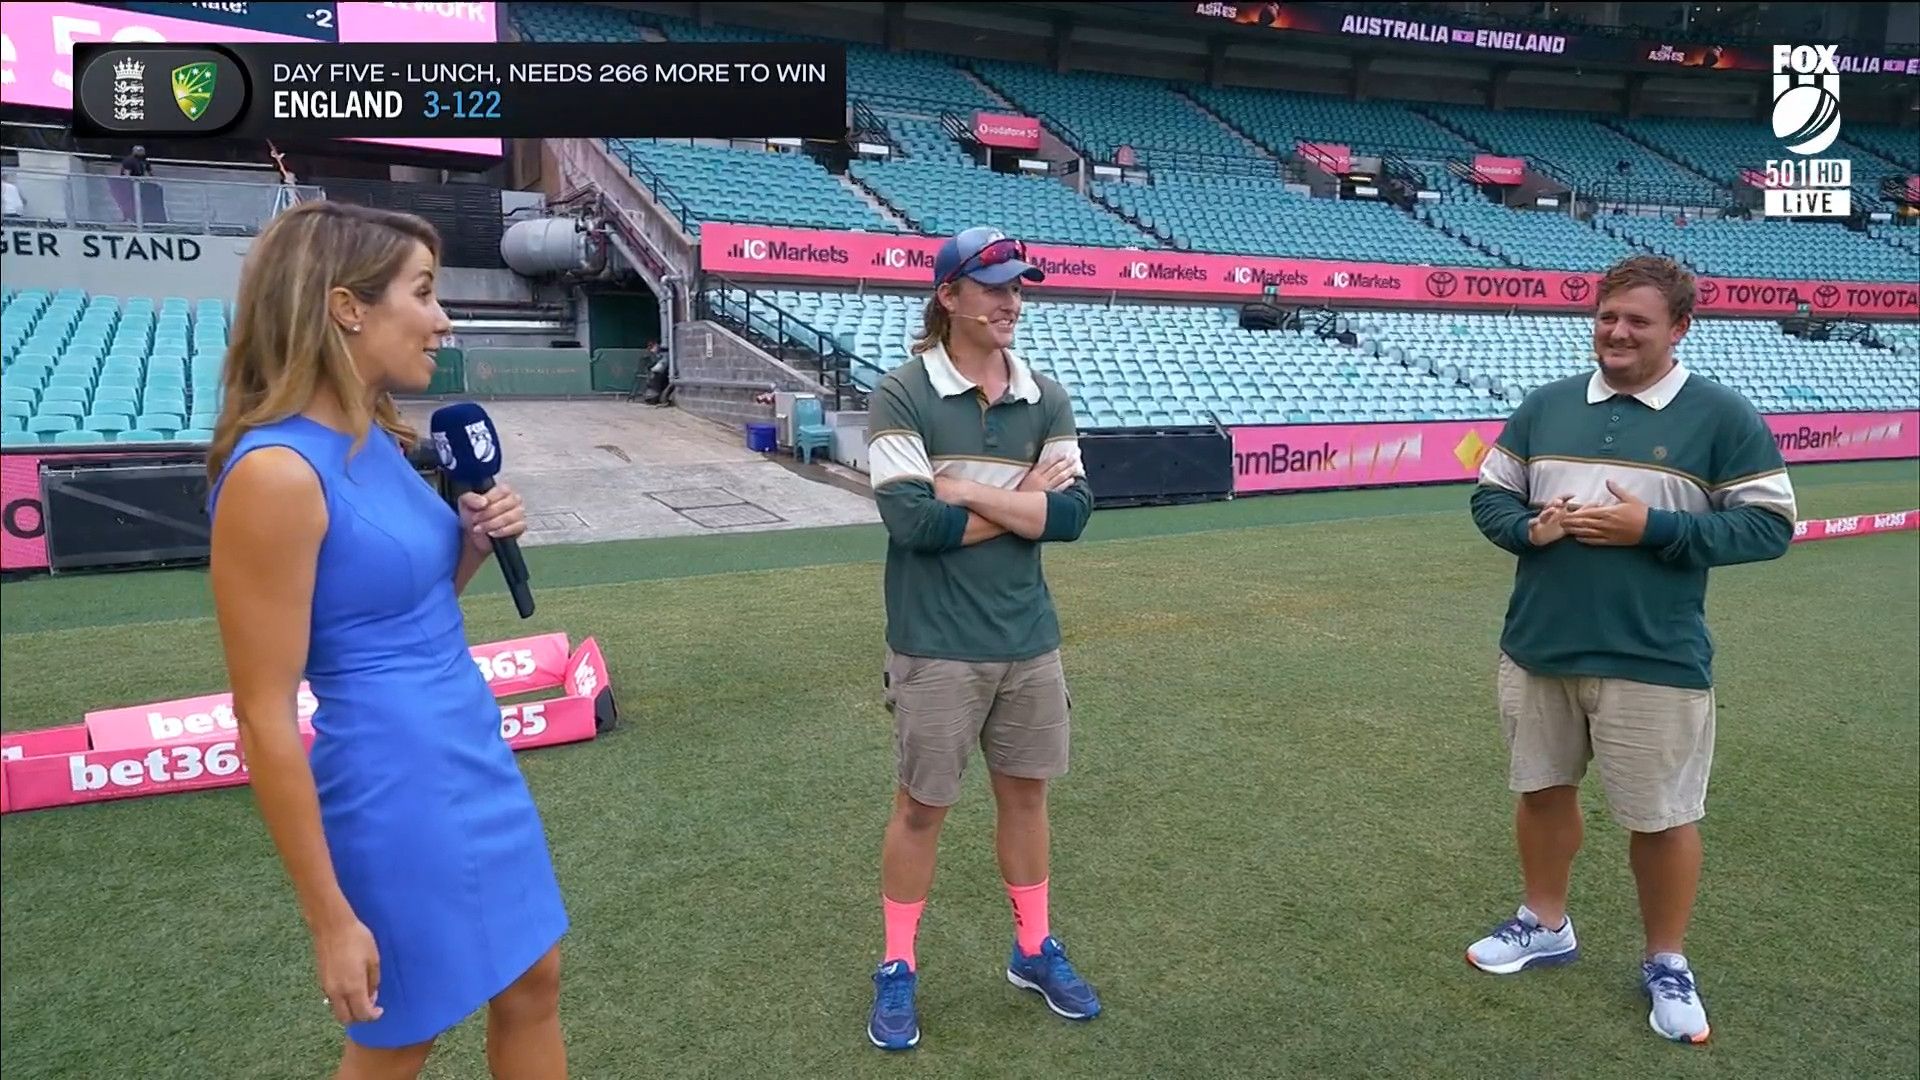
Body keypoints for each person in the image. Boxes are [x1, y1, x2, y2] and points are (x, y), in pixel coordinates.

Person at [206, 200, 569, 1079]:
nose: (443, 319)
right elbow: (262, 714)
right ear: (347, 308)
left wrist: (471, 546)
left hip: (471, 750)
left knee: (533, 981)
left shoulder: (378, 438)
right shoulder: (275, 475)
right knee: (402, 1033)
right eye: (424, 292)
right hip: (393, 787)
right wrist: (329, 918)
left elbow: (398, 610)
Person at [1466, 254, 1796, 1046]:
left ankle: (1666, 960)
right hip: (1539, 645)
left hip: (1655, 655)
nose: (1616, 332)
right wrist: (1531, 528)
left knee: (1661, 819)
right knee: (1542, 792)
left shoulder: (1722, 416)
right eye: (1607, 317)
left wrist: (1654, 527)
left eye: (1637, 321)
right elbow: (1490, 495)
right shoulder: (1545, 405)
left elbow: (1768, 526)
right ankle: (1545, 923)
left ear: (1679, 328)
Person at [862, 227, 1098, 1052]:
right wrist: (1021, 498)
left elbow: (1072, 515)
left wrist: (965, 489)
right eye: (994, 286)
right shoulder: (902, 394)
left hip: (1028, 638)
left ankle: (1033, 948)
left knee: (1027, 797)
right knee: (921, 807)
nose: (1011, 301)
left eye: (1018, 286)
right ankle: (897, 964)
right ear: (949, 296)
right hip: (934, 644)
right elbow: (913, 523)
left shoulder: (1045, 395)